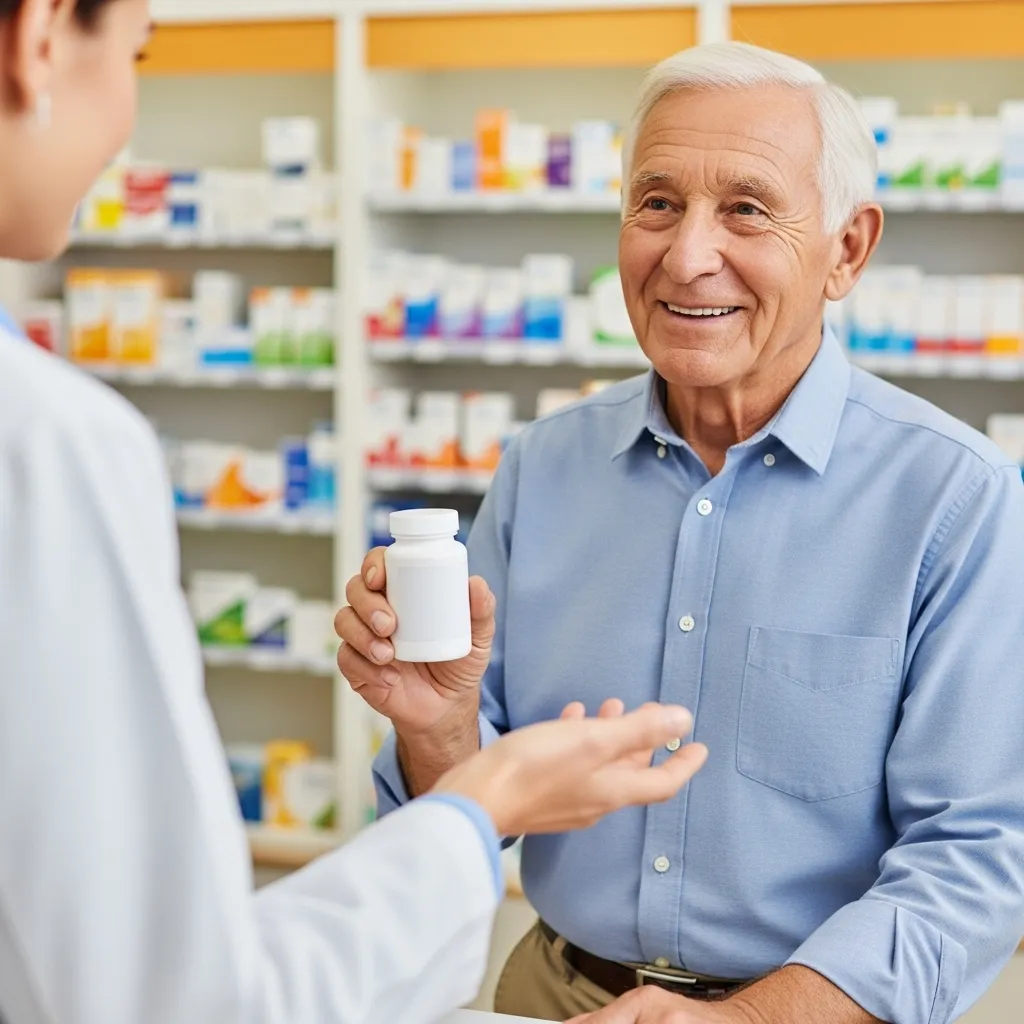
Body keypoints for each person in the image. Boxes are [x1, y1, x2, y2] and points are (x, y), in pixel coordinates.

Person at [0, 2, 711, 1023]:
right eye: (135, 54)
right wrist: (484, 795)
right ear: (39, 38)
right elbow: (183, 999)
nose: (688, 256)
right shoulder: (47, 442)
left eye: (743, 210)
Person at [338, 41, 1024, 1024]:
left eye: (744, 208)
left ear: (847, 250)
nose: (686, 253)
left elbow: (977, 856)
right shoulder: (545, 466)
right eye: (657, 203)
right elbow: (466, 803)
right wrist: (435, 720)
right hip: (551, 995)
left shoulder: (951, 500)